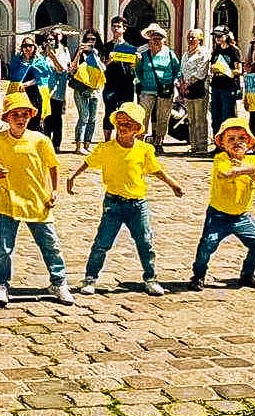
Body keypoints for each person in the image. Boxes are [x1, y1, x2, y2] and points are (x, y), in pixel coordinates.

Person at [67, 101, 184, 296]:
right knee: (102, 243)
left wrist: (173, 184)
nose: (123, 127)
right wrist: (73, 176)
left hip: (138, 204)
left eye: (128, 124)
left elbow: (156, 170)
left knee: (145, 242)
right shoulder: (106, 148)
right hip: (113, 203)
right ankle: (90, 278)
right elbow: (88, 162)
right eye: (120, 123)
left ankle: (151, 278)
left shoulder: (144, 150)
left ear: (138, 129)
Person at [0, 92, 75, 307]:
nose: (20, 118)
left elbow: (53, 166)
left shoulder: (40, 140)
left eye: (24, 114)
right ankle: (1, 284)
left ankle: (59, 282)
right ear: (7, 118)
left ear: (30, 116)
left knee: (51, 245)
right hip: (8, 202)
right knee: (4, 248)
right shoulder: (0, 140)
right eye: (15, 114)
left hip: (37, 201)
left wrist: (54, 191)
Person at [189, 117, 255, 291]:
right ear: (222, 143)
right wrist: (245, 170)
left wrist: (251, 171)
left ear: (249, 142)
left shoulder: (254, 162)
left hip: (242, 216)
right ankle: (198, 275)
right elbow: (225, 173)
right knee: (207, 245)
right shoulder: (221, 159)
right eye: (231, 139)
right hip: (218, 215)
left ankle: (248, 273)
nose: (237, 142)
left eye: (241, 138)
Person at [135, 24, 181, 152]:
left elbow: (177, 70)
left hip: (165, 90)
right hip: (147, 90)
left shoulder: (170, 54)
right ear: (149, 40)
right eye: (154, 38)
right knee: (143, 116)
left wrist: (174, 82)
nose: (156, 41)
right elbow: (137, 70)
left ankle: (158, 142)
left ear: (164, 40)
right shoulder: (144, 55)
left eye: (159, 38)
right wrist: (143, 80)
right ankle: (140, 140)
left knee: (163, 117)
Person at [68, 29, 105, 155]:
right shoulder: (81, 53)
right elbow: (72, 70)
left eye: (93, 40)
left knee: (93, 118)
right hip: (81, 89)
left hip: (95, 90)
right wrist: (79, 53)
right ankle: (79, 146)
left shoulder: (98, 53)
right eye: (88, 39)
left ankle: (87, 144)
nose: (90, 42)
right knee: (84, 116)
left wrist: (94, 55)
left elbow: (103, 69)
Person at [101, 16, 137, 142]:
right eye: (114, 26)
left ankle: (120, 139)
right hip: (110, 84)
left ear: (124, 29)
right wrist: (109, 61)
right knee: (109, 112)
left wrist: (135, 63)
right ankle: (107, 141)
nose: (116, 29)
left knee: (124, 114)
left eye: (119, 27)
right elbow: (101, 68)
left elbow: (133, 70)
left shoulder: (131, 48)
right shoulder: (106, 47)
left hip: (126, 85)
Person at [177, 29, 211, 155]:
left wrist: (186, 84)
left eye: (193, 37)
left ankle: (202, 146)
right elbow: (182, 70)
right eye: (189, 37)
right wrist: (181, 83)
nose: (191, 40)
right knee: (191, 119)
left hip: (199, 88)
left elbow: (200, 72)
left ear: (200, 39)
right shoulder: (186, 54)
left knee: (200, 118)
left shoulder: (204, 53)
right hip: (187, 90)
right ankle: (193, 145)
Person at [35, 29, 70, 149]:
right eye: (47, 40)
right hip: (43, 90)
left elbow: (62, 70)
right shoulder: (39, 56)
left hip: (56, 91)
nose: (50, 42)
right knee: (45, 118)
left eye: (52, 40)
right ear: (43, 43)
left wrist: (53, 57)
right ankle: (46, 142)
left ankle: (56, 144)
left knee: (56, 117)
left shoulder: (61, 53)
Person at [208, 27, 242, 140]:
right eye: (215, 36)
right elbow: (212, 65)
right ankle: (217, 142)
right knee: (215, 116)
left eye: (219, 36)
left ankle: (228, 143)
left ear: (226, 36)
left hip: (228, 87)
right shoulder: (216, 50)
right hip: (216, 85)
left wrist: (225, 71)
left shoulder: (233, 50)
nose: (217, 38)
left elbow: (239, 70)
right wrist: (214, 69)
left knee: (227, 116)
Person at [7, 36, 44, 131]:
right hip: (20, 94)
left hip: (34, 94)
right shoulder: (16, 60)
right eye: (25, 46)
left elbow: (42, 78)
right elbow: (12, 77)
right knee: (21, 119)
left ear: (34, 47)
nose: (27, 48)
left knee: (34, 119)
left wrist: (26, 84)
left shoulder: (39, 60)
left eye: (30, 46)